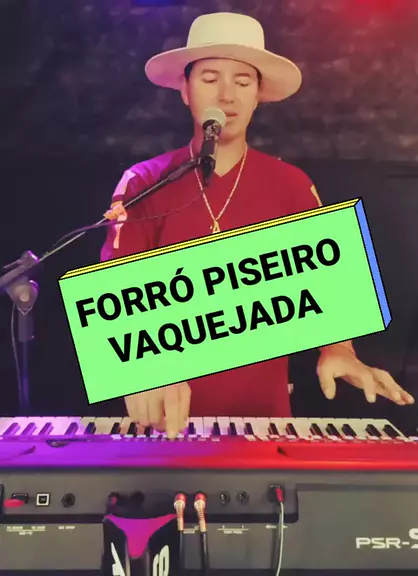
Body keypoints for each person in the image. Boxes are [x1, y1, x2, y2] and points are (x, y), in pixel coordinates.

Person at [100, 12, 414, 438]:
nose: (227, 94)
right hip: (163, 424)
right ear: (185, 91)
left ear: (258, 96)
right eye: (210, 78)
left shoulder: (292, 185)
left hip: (264, 422)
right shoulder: (144, 182)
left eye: (243, 82)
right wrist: (142, 373)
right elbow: (117, 304)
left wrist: (339, 349)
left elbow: (325, 286)